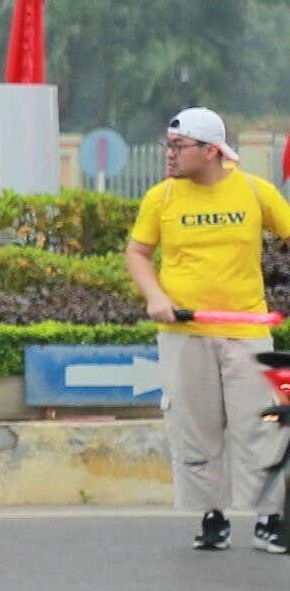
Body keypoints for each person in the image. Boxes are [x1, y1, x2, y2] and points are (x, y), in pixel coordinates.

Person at [123, 106, 290, 552]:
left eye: (179, 147)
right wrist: (156, 297)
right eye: (168, 146)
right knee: (195, 426)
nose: (170, 155)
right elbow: (137, 254)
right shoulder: (162, 198)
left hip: (247, 331)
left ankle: (269, 518)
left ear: (211, 151)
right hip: (184, 334)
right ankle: (211, 516)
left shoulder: (255, 192)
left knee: (261, 425)